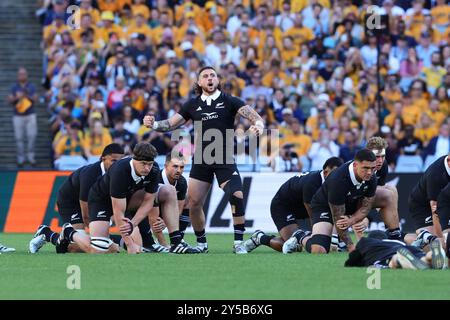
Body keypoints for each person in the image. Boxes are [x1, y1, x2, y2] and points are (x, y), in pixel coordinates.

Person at [143, 66, 265, 254]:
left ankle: (238, 242)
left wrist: (258, 125)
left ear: (217, 80)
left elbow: (255, 117)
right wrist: (154, 124)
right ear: (199, 82)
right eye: (205, 76)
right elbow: (170, 124)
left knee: (236, 195)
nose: (210, 78)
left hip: (224, 157)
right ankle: (201, 243)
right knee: (193, 202)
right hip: (202, 159)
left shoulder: (230, 101)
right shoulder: (192, 105)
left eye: (213, 76)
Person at [58, 142, 198, 254]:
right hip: (102, 201)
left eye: (149, 164)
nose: (147, 168)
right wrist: (129, 244)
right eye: (143, 164)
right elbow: (118, 211)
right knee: (98, 250)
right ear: (134, 159)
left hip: (128, 198)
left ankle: (176, 242)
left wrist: (133, 224)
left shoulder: (153, 169)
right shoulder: (120, 171)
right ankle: (68, 232)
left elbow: (149, 201)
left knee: (168, 190)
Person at [29, 143, 125, 253]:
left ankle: (114, 241)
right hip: (71, 202)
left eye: (120, 162)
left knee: (96, 243)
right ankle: (47, 233)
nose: (117, 165)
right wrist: (100, 238)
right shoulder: (90, 174)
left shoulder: (119, 173)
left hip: (93, 202)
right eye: (113, 161)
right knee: (75, 247)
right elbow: (86, 216)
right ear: (103, 159)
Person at [283, 149, 378, 254]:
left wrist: (353, 220)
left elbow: (366, 207)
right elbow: (338, 219)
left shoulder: (372, 177)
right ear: (355, 165)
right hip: (323, 206)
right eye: (365, 168)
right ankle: (300, 236)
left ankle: (395, 237)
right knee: (319, 250)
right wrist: (351, 246)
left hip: (349, 201)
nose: (369, 172)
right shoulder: (338, 180)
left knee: (387, 195)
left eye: (372, 168)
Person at [242, 157, 344, 253]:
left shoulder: (334, 184)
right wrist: (318, 237)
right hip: (283, 206)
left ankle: (302, 236)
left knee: (302, 241)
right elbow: (314, 214)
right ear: (326, 172)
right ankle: (260, 238)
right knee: (295, 245)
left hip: (300, 207)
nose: (338, 177)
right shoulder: (313, 183)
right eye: (335, 173)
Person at [344, 231, 446, 270]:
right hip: (409, 248)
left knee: (393, 262)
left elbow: (352, 259)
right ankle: (432, 254)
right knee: (422, 259)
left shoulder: (367, 242)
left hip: (393, 254)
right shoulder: (397, 242)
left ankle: (400, 259)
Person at [407, 153, 450, 246]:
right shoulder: (436, 174)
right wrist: (442, 240)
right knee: (434, 241)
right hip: (422, 206)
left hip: (444, 203)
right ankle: (406, 240)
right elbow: (436, 212)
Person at [149, 152, 190, 248]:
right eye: (175, 166)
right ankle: (161, 242)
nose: (179, 170)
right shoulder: (155, 178)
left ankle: (178, 239)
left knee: (188, 201)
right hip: (147, 210)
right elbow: (149, 207)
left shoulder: (182, 182)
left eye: (181, 167)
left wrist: (166, 221)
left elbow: (178, 210)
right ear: (166, 166)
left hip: (163, 212)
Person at [365, 137, 402, 240]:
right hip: (350, 202)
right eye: (377, 157)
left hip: (368, 198)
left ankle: (394, 231)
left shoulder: (383, 165)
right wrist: (364, 216)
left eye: (383, 156)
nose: (380, 161)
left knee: (391, 189)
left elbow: (379, 192)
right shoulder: (360, 167)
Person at [8, 67, 38, 167]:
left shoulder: (31, 86)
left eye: (24, 74)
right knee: (18, 138)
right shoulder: (14, 87)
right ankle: (20, 158)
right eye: (20, 74)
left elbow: (36, 99)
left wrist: (26, 95)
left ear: (27, 75)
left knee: (32, 136)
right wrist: (17, 97)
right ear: (18, 75)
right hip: (18, 115)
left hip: (30, 114)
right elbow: (9, 100)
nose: (22, 76)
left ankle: (31, 156)